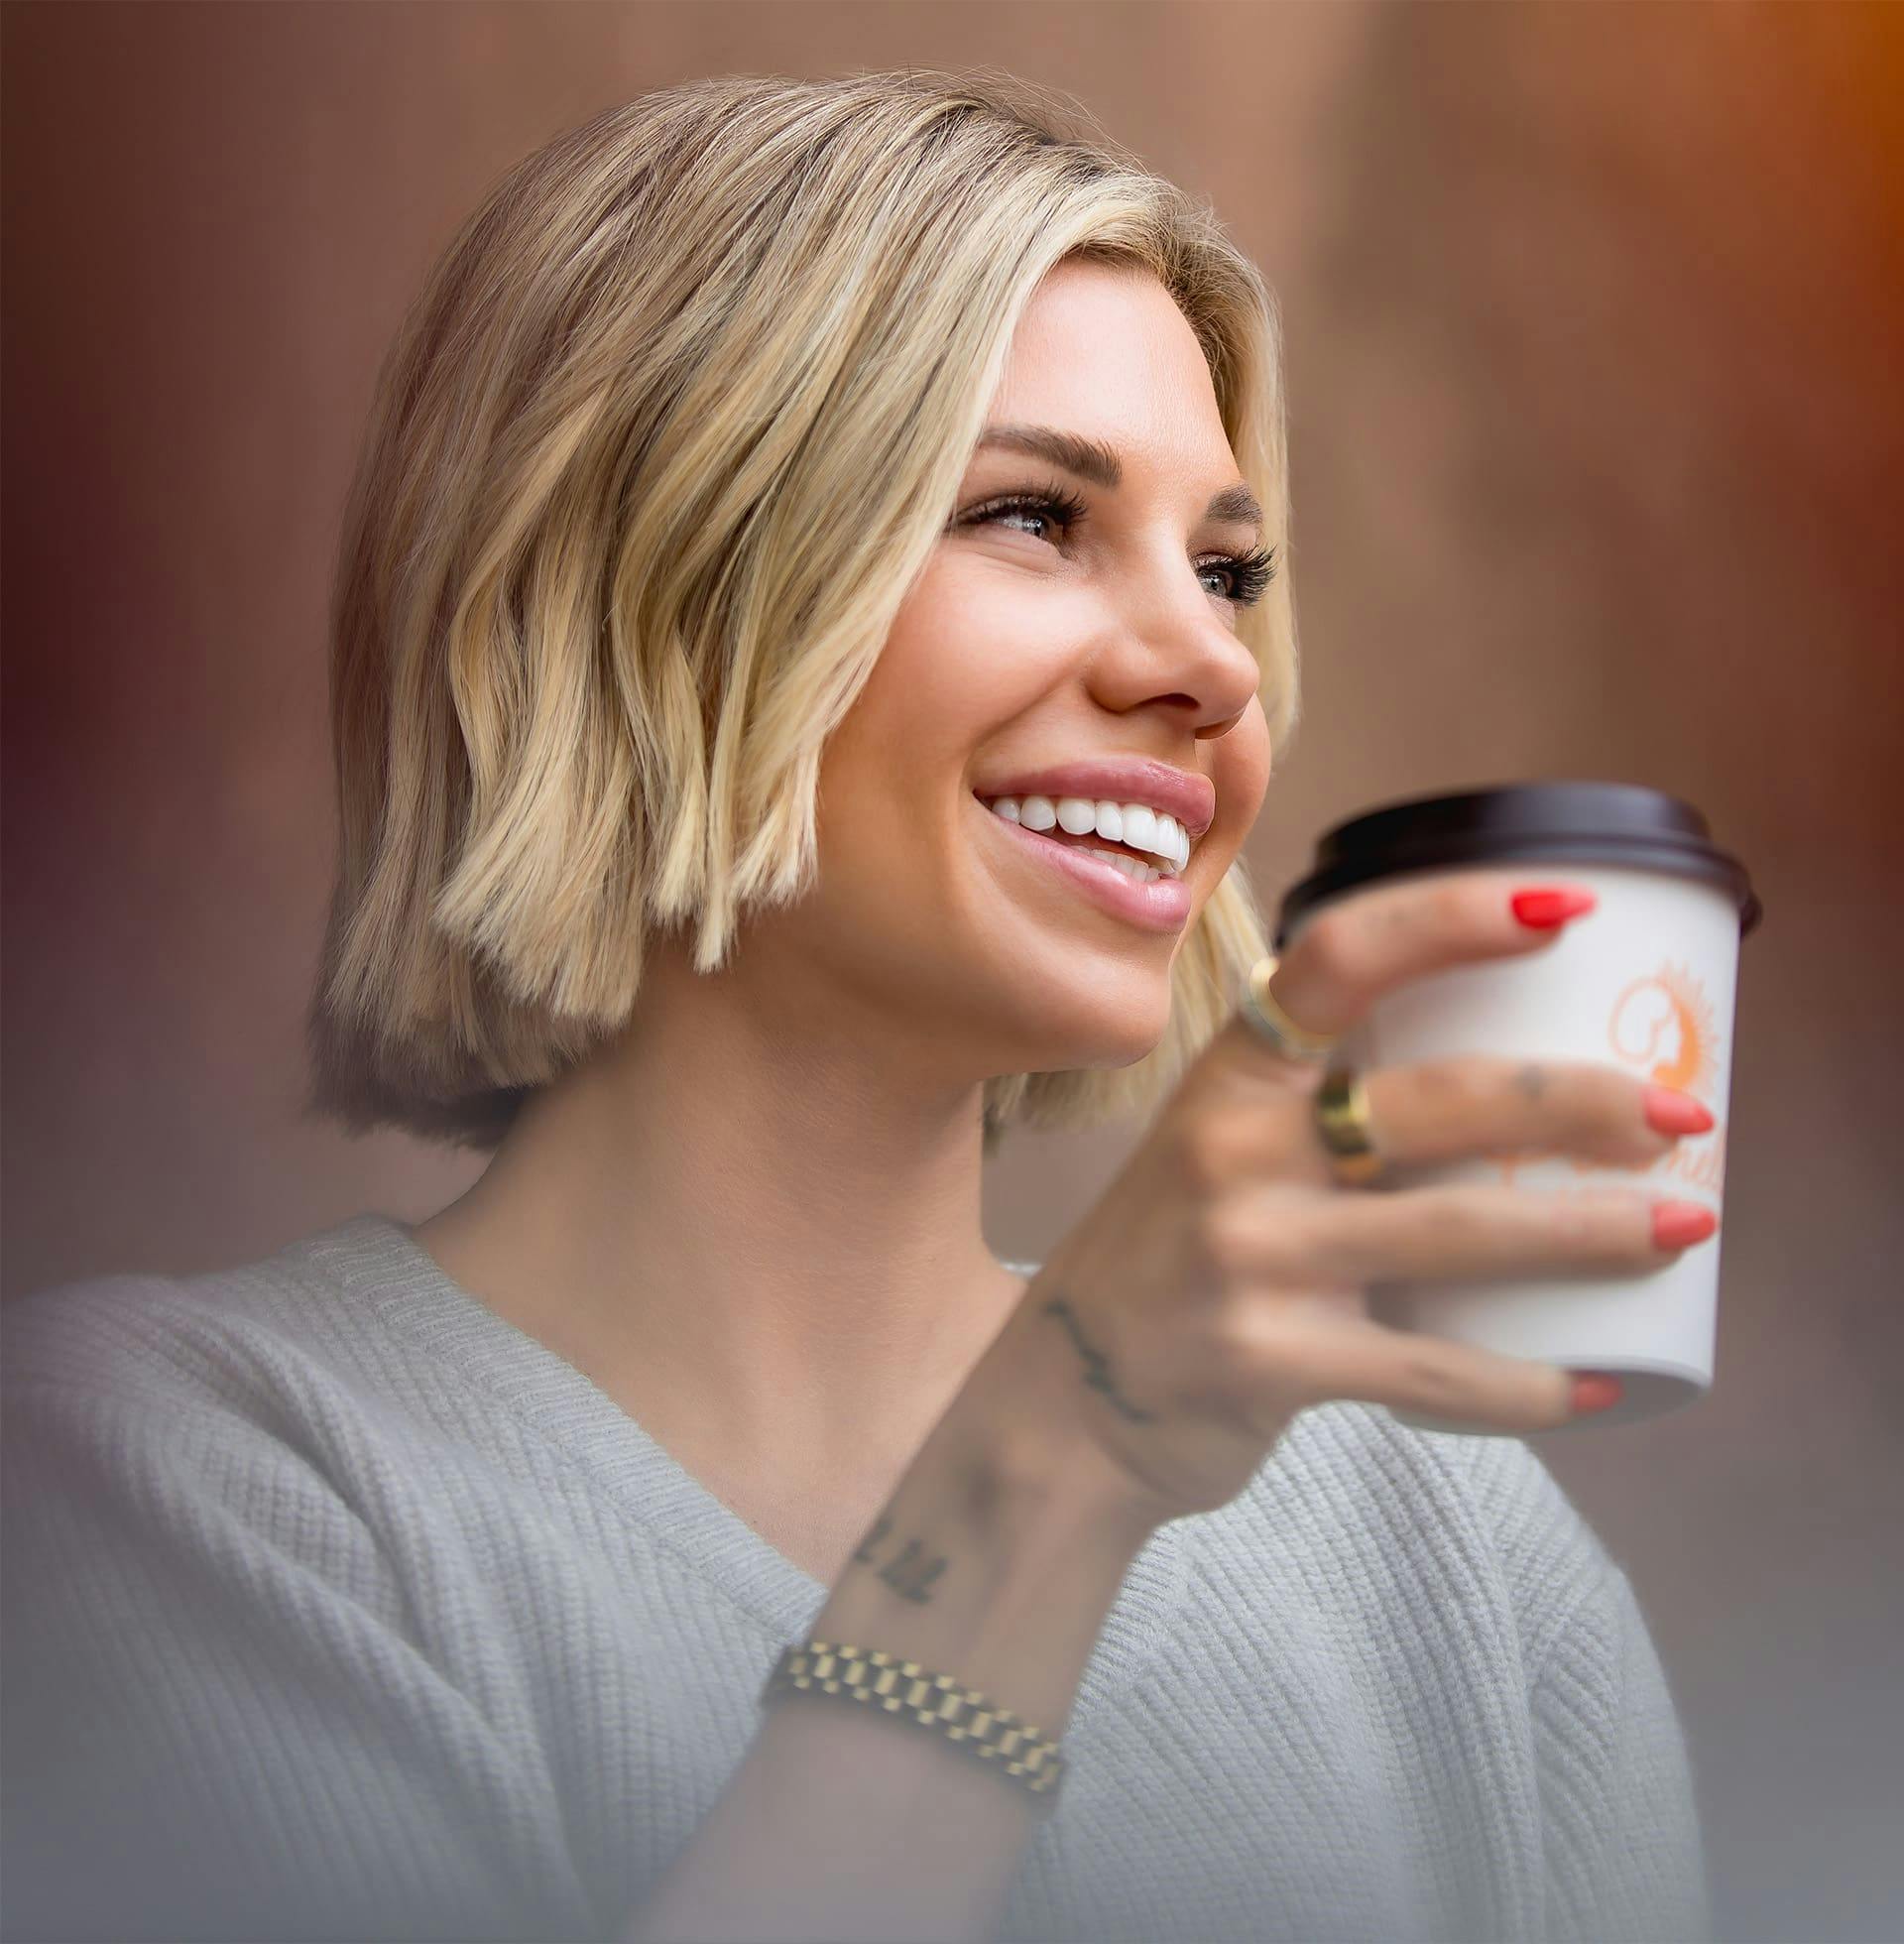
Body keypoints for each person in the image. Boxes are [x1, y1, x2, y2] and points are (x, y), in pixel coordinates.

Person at [1, 68, 1714, 1944]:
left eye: (1228, 570)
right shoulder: (164, 1484)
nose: (1213, 667)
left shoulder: (1451, 1552)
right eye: (1034, 517)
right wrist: (1050, 1473)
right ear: (646, 587)